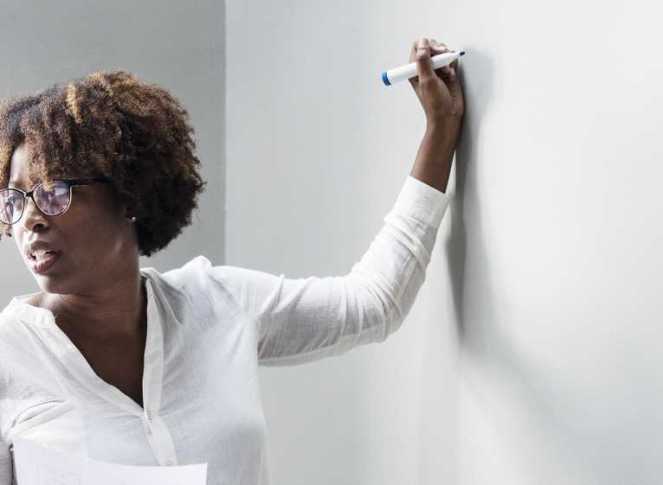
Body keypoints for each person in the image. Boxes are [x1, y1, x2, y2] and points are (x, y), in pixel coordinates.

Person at [0, 37, 464, 484]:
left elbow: (374, 303)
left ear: (127, 195)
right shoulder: (9, 359)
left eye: (54, 191)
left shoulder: (218, 303)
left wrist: (440, 132)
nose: (29, 219)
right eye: (14, 200)